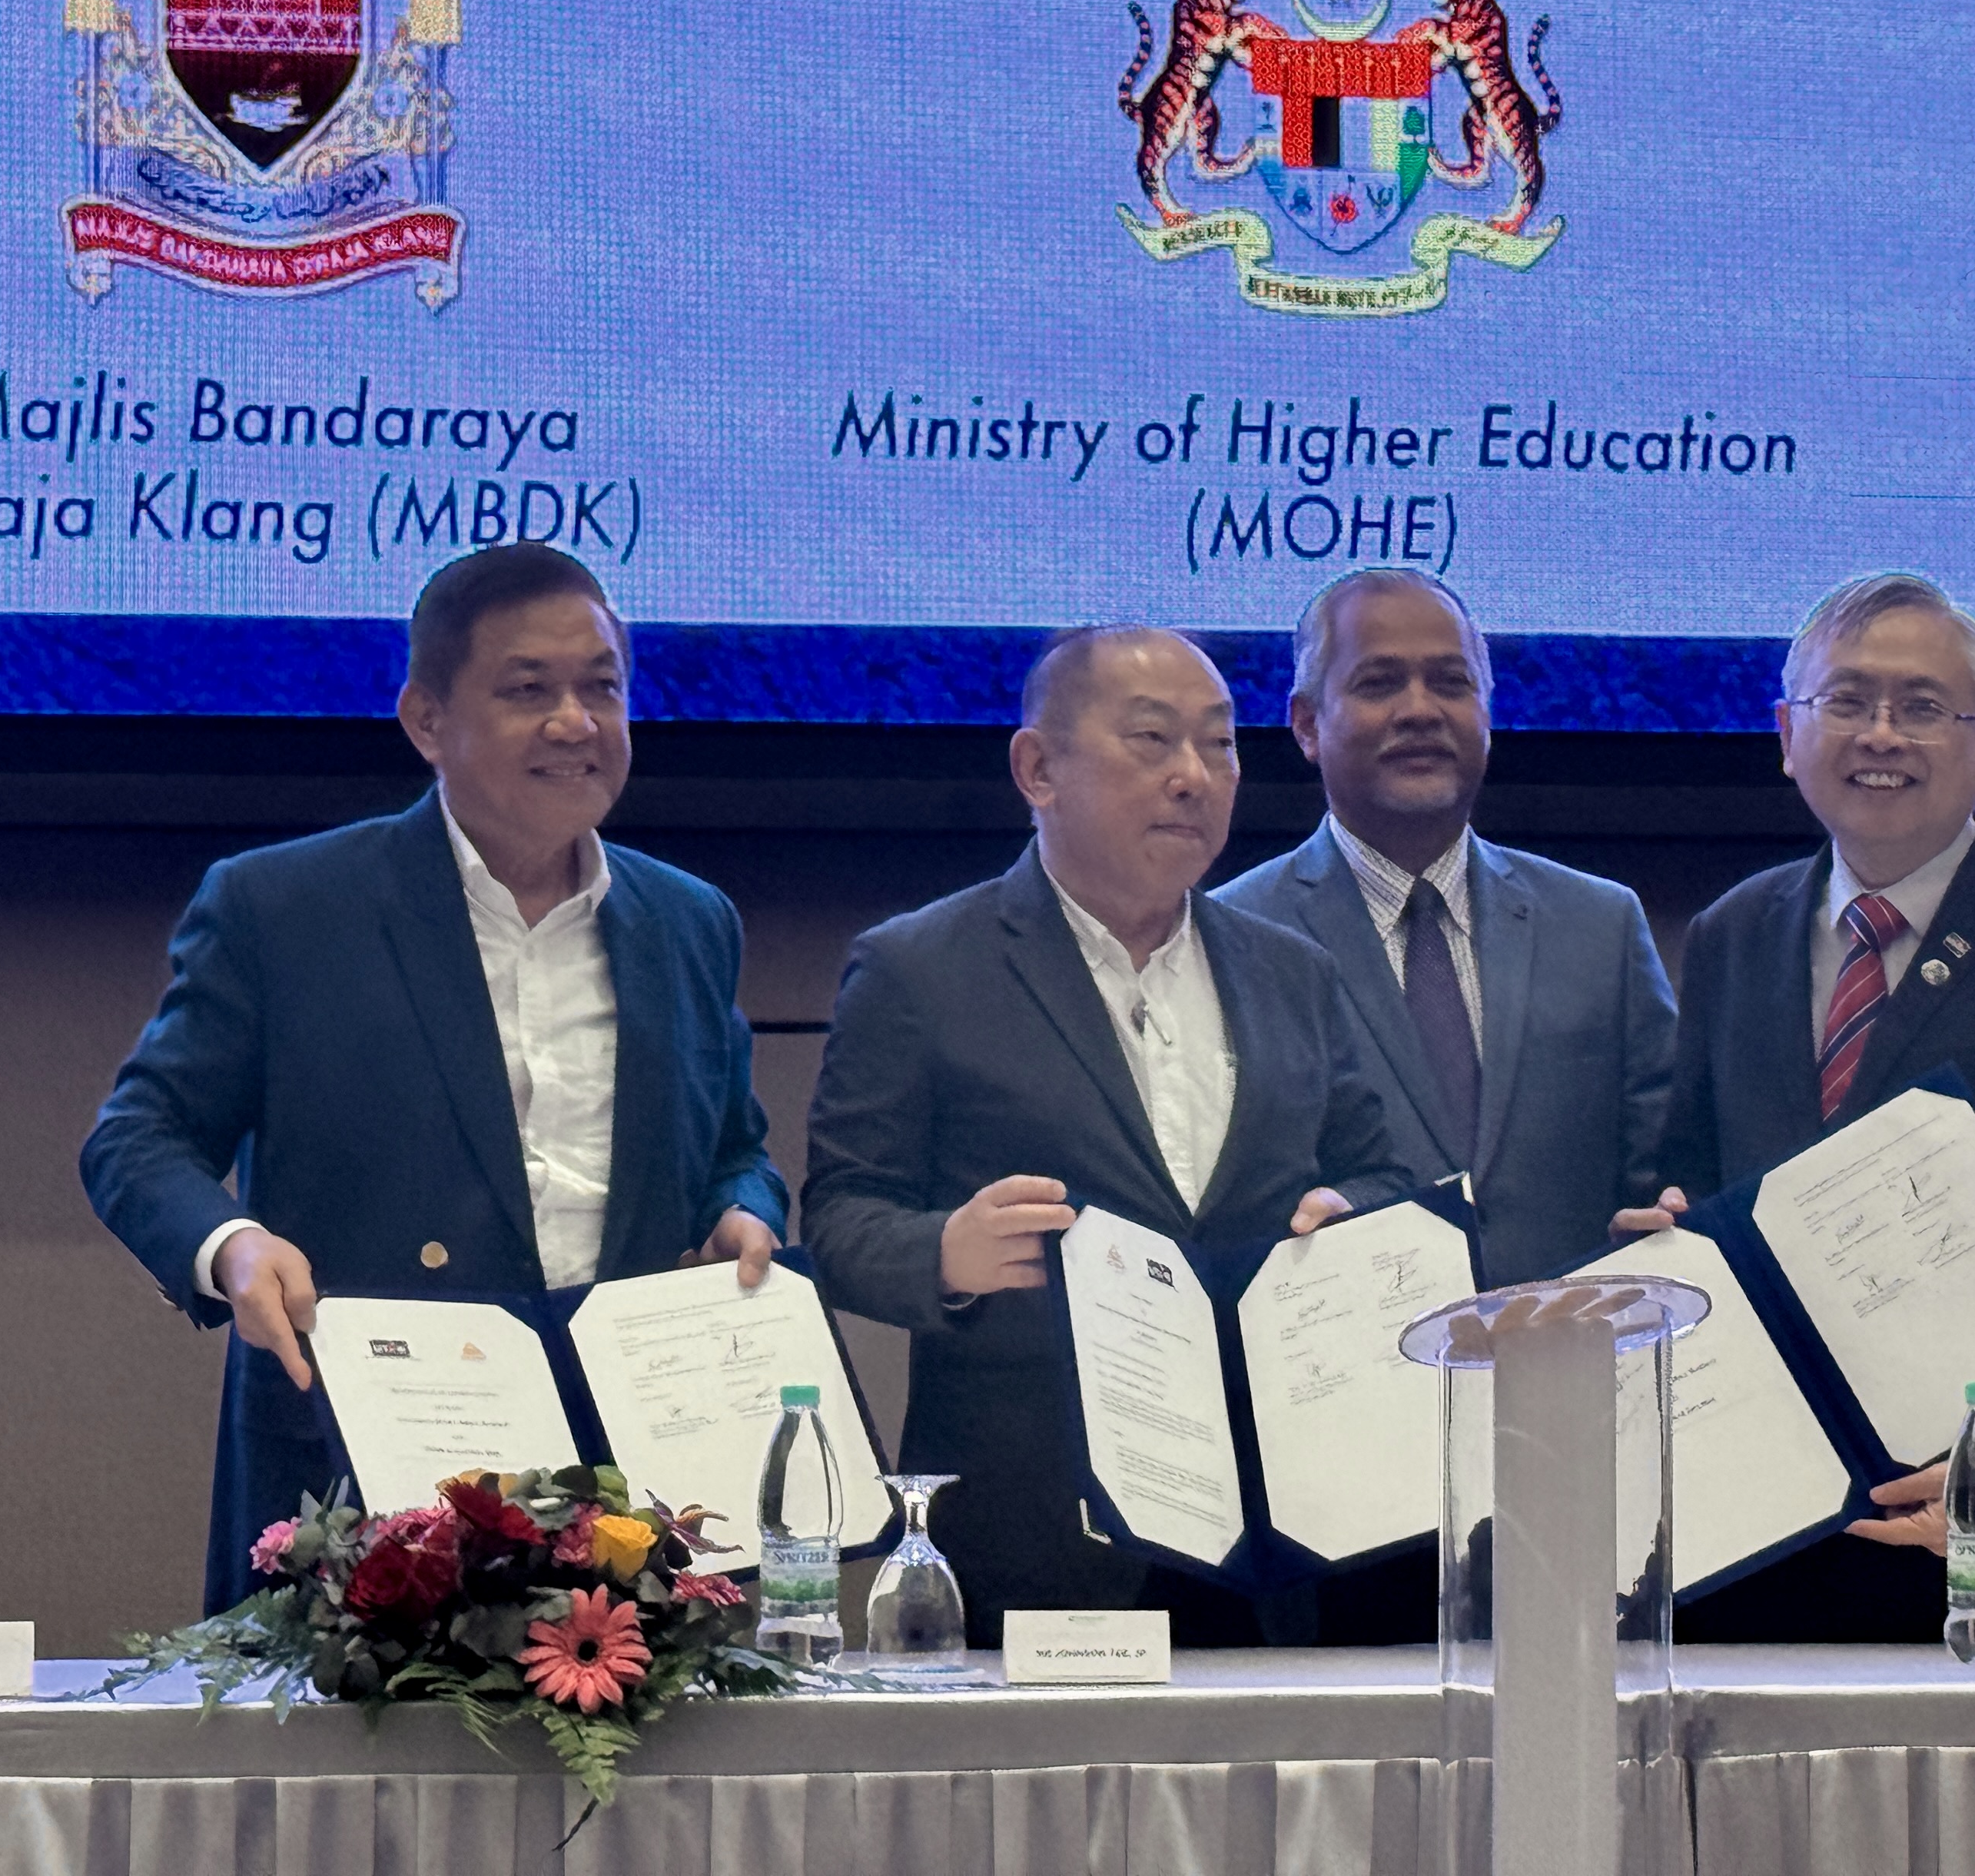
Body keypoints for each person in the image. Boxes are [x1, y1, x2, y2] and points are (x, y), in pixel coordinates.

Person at [81, 543, 788, 1612]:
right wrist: (231, 1248)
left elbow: (735, 1147)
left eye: (602, 687)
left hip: (630, 1498)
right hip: (368, 1481)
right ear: (426, 720)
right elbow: (138, 1137)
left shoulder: (690, 920)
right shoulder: (287, 908)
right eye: (527, 690)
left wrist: (743, 1212)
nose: (574, 721)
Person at [802, 626, 1409, 1645]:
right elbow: (841, 1215)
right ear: (1038, 768)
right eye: (1152, 740)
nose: (1194, 777)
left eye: (1219, 746)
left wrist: (1351, 1216)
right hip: (1033, 1543)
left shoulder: (1289, 971)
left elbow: (1380, 1168)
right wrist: (943, 1255)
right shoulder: (919, 970)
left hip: (1267, 1539)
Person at [1637, 570, 1975, 1642]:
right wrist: (1667, 1243)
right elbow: (1687, 1171)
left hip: (1974, 1538)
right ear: (1787, 734)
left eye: (1923, 707)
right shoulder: (1734, 934)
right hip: (1751, 1533)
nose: (1880, 733)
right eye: (1846, 701)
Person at [1216, 569, 1676, 1290]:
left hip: (1570, 1374)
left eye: (1451, 683)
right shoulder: (1233, 936)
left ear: (1488, 713)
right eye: (1379, 684)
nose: (1420, 710)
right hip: (1344, 1381)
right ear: (1306, 724)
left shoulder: (1600, 926)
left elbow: (1666, 1171)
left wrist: (1669, 1219)